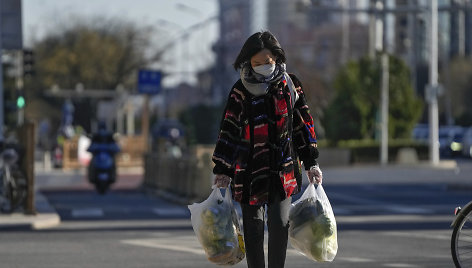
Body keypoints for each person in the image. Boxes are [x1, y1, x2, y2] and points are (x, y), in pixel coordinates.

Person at [212, 31, 323, 268]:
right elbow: (229, 130)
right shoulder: (239, 90)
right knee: (252, 230)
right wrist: (222, 168)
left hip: (283, 171)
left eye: (268, 62)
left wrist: (311, 162)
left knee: (280, 225)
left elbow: (303, 126)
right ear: (248, 63)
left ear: (277, 58)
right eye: (257, 63)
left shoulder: (289, 84)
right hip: (248, 171)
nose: (263, 67)